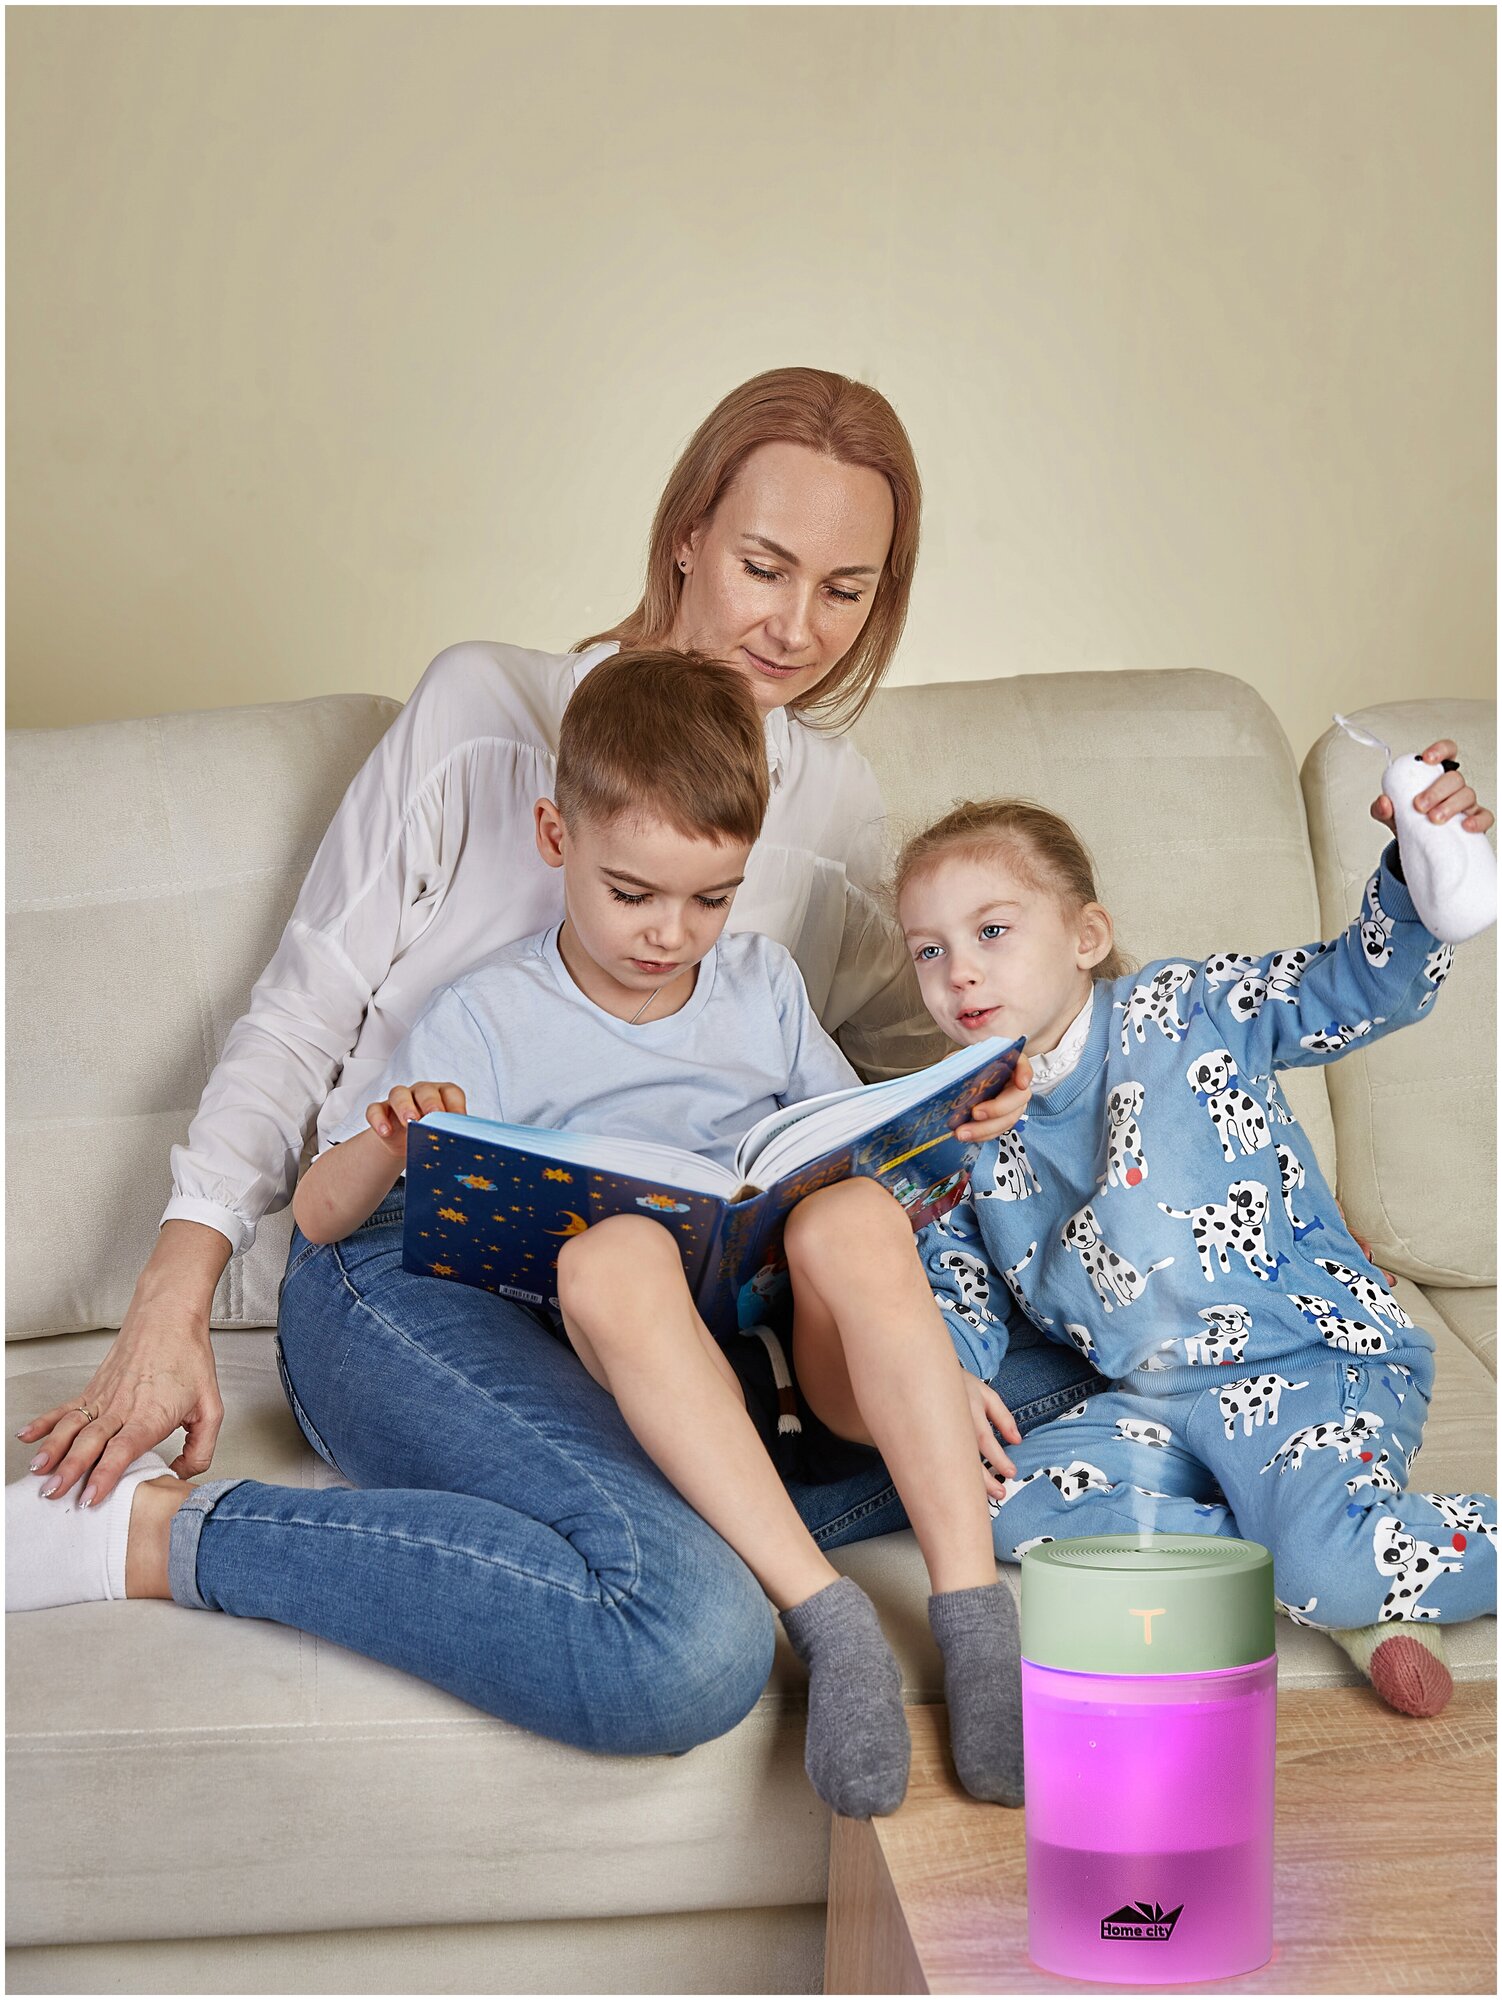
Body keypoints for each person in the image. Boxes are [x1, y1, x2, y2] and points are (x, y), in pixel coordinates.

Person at [8, 367, 1099, 1757]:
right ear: (686, 536)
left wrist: (984, 1149)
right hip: (421, 1248)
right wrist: (175, 1291)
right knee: (690, 1642)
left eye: (844, 590)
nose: (794, 628)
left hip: (680, 1290)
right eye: (763, 566)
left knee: (1083, 1362)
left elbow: (882, 1066)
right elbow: (300, 1010)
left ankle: (707, 1526)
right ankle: (163, 1537)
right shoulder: (487, 709)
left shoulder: (831, 801)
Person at [289, 650, 1025, 1818]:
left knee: (849, 1210)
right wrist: (390, 1138)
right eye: (631, 893)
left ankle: (974, 1616)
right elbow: (320, 1218)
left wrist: (950, 1143)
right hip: (653, 1385)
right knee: (614, 1249)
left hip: (803, 1357)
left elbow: (850, 1152)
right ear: (555, 836)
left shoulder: (762, 986)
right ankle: (828, 1618)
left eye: (710, 898)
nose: (669, 933)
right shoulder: (487, 1015)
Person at [893, 749, 1497, 1718]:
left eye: (992, 931)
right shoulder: (955, 1134)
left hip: (1312, 1363)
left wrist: (1417, 877)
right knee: (979, 1502)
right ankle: (1325, 1559)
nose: (958, 970)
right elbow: (955, 1291)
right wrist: (945, 1374)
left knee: (1330, 1567)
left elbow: (1352, 988)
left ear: (1086, 935)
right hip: (1152, 1404)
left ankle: (1337, 1568)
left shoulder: (1187, 1011)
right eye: (927, 950)